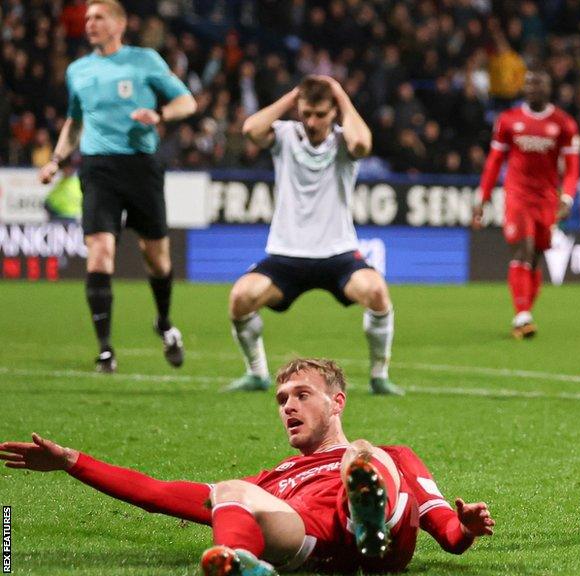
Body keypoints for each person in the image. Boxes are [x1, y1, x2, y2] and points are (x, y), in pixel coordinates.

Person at [0, 358, 495, 575]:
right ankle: (241, 564)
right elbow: (156, 493)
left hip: (388, 544)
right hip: (315, 542)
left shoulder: (395, 456)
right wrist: (72, 462)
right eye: (282, 400)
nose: (288, 407)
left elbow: (447, 533)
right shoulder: (275, 478)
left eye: (302, 395)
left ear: (337, 401)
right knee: (232, 490)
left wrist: (465, 527)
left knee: (362, 452)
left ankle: (367, 518)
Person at [36, 0, 195, 373]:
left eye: (98, 17)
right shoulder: (78, 70)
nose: (89, 23)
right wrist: (57, 162)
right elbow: (75, 122)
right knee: (100, 252)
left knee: (156, 258)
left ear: (119, 25)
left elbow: (186, 102)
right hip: (98, 169)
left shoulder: (145, 61)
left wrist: (159, 115)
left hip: (141, 167)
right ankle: (105, 349)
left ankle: (164, 322)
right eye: (88, 17)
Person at [225, 75, 402, 395]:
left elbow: (363, 143)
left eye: (320, 114)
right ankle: (256, 373)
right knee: (240, 298)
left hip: (338, 254)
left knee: (377, 292)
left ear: (334, 112)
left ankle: (379, 376)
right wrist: (293, 96)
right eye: (306, 113)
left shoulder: (343, 142)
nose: (312, 121)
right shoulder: (285, 135)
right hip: (286, 255)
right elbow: (251, 129)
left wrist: (340, 94)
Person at [472, 70, 580, 339]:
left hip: (546, 199)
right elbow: (495, 161)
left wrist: (566, 197)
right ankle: (522, 314)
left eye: (539, 83)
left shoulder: (563, 124)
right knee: (524, 248)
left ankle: (524, 315)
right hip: (517, 195)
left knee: (535, 258)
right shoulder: (508, 120)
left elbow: (572, 168)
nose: (533, 88)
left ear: (549, 87)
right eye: (530, 83)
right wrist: (482, 197)